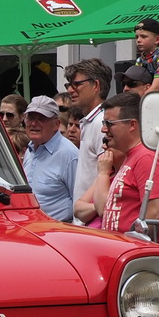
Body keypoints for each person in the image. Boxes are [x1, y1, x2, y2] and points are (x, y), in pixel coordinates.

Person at [76, 92, 159, 235]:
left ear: (132, 125)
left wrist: (132, 244)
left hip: (138, 253)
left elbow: (153, 217)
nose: (103, 129)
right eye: (104, 123)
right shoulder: (132, 155)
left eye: (109, 123)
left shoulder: (148, 157)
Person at [64, 59, 113, 223]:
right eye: (68, 85)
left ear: (96, 86)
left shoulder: (102, 123)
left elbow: (108, 172)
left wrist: (91, 209)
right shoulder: (89, 121)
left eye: (76, 84)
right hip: (85, 221)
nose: (70, 90)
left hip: (94, 221)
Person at [21, 95, 78, 221]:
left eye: (41, 118)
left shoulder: (69, 154)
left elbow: (79, 203)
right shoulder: (30, 149)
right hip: (30, 229)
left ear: (56, 124)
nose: (34, 123)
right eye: (30, 118)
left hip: (58, 232)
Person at [132, 18, 159, 92]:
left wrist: (138, 100)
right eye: (137, 37)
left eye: (143, 37)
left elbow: (156, 88)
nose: (138, 40)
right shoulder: (140, 60)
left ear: (157, 40)